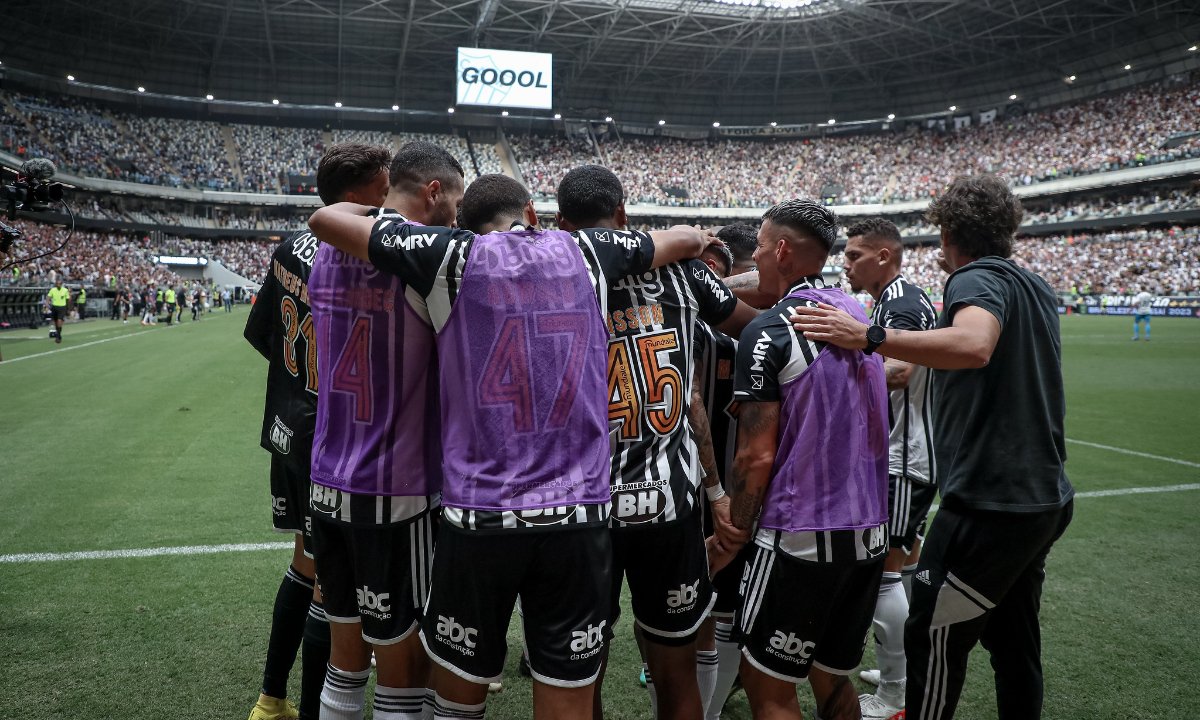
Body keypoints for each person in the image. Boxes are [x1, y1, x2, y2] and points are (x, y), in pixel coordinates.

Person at [308, 170, 711, 720]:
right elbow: (684, 239)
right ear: (534, 215)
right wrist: (702, 242)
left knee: (458, 695)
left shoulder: (450, 257)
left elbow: (325, 219)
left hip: (480, 514)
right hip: (577, 513)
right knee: (566, 693)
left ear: (467, 226)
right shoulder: (587, 251)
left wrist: (388, 216)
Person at [793, 174, 1075, 720]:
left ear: (949, 231)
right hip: (1044, 494)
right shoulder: (1033, 284)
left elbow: (973, 344)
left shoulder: (975, 279)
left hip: (991, 500)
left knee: (932, 635)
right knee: (1015, 641)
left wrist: (867, 338)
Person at [551, 166, 756, 720]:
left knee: (580, 670)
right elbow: (752, 327)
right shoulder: (686, 272)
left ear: (561, 223)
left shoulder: (554, 272)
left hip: (583, 505)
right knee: (674, 668)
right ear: (623, 216)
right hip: (667, 501)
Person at [714, 198, 889, 720]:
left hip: (799, 536)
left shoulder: (768, 331)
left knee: (767, 684)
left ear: (783, 251)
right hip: (868, 533)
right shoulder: (855, 314)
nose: (757, 261)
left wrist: (732, 535)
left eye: (762, 249)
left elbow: (755, 452)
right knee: (833, 680)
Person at [243, 143, 392, 720]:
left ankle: (270, 698)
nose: (388, 195)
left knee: (304, 566)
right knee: (331, 585)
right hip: (334, 439)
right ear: (358, 193)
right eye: (383, 186)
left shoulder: (288, 247)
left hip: (288, 425)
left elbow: (265, 339)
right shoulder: (360, 253)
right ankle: (309, 709)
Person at [305, 141, 453, 720]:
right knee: (403, 669)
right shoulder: (427, 266)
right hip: (395, 487)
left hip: (327, 474)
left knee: (345, 659)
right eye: (454, 199)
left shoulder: (322, 250)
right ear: (432, 191)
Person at [840, 218, 939, 719]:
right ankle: (898, 665)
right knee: (902, 565)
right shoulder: (894, 299)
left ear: (884, 256)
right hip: (904, 454)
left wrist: (835, 376)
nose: (846, 263)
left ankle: (896, 696)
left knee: (883, 572)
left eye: (855, 255)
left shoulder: (901, 300)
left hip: (902, 457)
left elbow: (901, 372)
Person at [689, 238, 757, 720]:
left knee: (700, 613)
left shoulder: (684, 322)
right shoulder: (754, 332)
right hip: (736, 489)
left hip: (696, 491)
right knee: (717, 608)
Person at [47, 278, 69, 343]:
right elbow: (48, 297)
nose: (58, 285)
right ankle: (58, 334)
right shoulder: (53, 290)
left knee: (59, 320)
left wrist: (67, 308)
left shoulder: (65, 290)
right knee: (56, 322)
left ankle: (58, 336)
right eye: (57, 284)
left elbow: (67, 299)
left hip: (62, 307)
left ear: (61, 284)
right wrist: (47, 303)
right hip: (54, 307)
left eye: (59, 284)